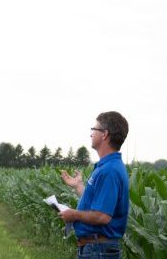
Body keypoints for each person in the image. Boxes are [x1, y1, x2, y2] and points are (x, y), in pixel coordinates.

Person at [59, 111, 130, 259]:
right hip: (95, 248)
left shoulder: (109, 170)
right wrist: (78, 186)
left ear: (104, 134)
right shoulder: (106, 166)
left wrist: (74, 214)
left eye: (94, 130)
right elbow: (99, 203)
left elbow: (102, 216)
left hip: (98, 250)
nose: (91, 134)